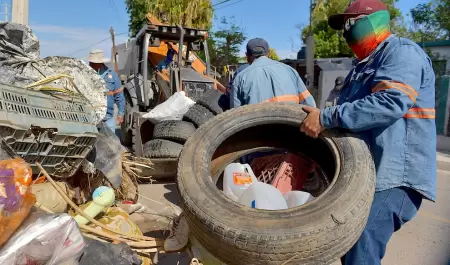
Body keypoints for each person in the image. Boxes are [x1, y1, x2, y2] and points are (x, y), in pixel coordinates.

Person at [299, 0, 436, 264]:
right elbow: (352, 122)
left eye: (349, 25)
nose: (345, 33)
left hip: (395, 177)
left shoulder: (401, 53)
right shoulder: (361, 68)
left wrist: (326, 118)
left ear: (373, 22)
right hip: (370, 175)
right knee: (351, 248)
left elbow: (391, 102)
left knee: (361, 245)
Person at [231, 38, 316, 108]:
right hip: (291, 127)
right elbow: (310, 105)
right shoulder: (290, 71)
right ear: (269, 53)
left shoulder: (240, 78)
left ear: (247, 56)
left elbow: (235, 117)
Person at [88, 49, 125, 134]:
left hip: (107, 117)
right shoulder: (86, 75)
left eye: (93, 63)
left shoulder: (112, 76)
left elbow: (119, 96)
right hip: (90, 118)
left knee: (110, 142)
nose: (91, 65)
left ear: (100, 63)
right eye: (91, 62)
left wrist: (120, 114)